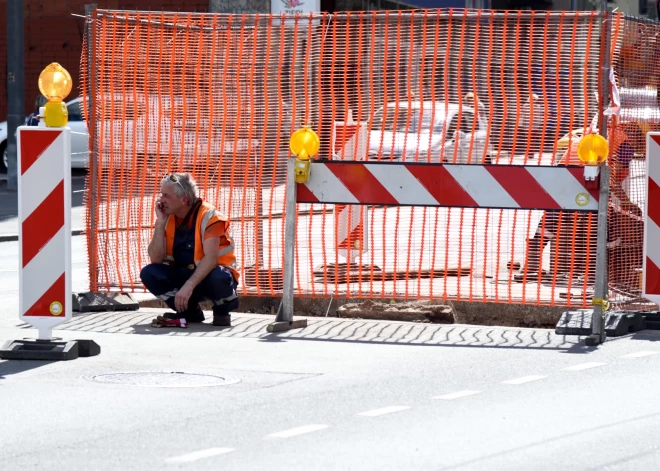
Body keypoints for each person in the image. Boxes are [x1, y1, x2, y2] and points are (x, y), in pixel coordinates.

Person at [140, 173, 239, 328]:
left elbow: (211, 259)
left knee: (218, 277)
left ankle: (222, 311)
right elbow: (156, 259)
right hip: (185, 275)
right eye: (161, 195)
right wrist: (160, 223)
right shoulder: (168, 216)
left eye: (166, 196)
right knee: (149, 273)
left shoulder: (210, 216)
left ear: (184, 199)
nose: (161, 200)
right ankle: (189, 311)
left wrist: (188, 286)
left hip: (211, 276)